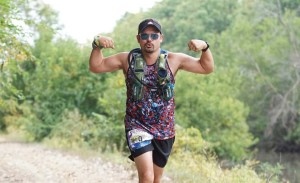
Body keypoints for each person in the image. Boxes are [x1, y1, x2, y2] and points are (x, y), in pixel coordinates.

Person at [89, 18, 214, 183]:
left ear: (161, 38)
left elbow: (207, 68)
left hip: (165, 130)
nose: (149, 39)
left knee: (156, 179)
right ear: (138, 38)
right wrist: (97, 44)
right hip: (137, 125)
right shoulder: (127, 59)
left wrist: (205, 47)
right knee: (146, 177)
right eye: (145, 35)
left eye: (154, 36)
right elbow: (96, 66)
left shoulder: (174, 59)